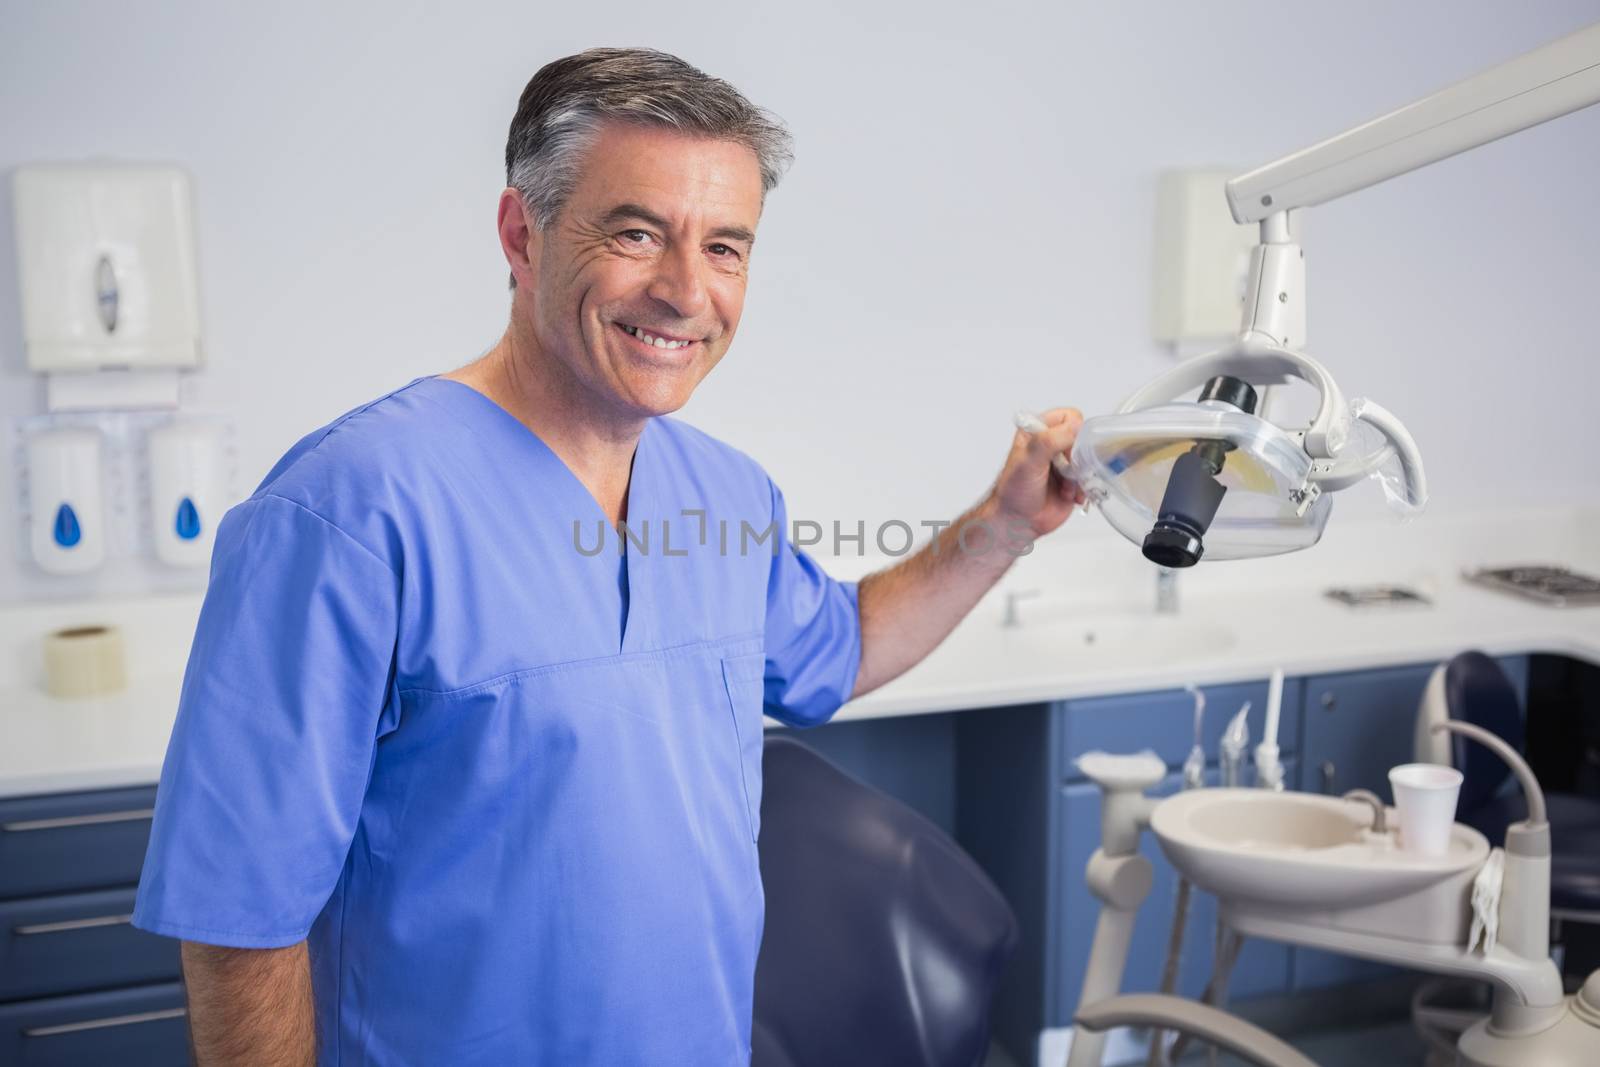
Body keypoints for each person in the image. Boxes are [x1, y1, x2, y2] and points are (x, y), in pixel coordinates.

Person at [132, 46, 1085, 1066]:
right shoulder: (345, 513)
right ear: (521, 234)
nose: (684, 290)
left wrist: (1007, 519)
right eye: (636, 233)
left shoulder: (721, 492)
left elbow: (837, 646)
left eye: (725, 247)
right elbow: (241, 918)